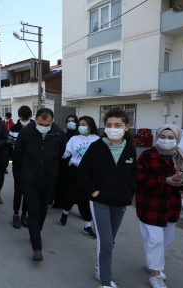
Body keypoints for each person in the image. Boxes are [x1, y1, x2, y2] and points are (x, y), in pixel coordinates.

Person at [77, 108, 137, 288]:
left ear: (126, 127)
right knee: (106, 241)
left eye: (117, 125)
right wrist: (94, 192)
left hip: (120, 202)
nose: (113, 128)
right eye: (109, 125)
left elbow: (133, 175)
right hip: (100, 201)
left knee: (111, 239)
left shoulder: (130, 149)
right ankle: (105, 281)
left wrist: (129, 192)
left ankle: (99, 267)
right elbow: (82, 172)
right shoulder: (96, 147)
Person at [136, 124, 183, 288]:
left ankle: (152, 263)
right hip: (150, 206)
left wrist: (180, 181)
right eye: (163, 137)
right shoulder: (146, 156)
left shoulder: (182, 157)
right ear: (157, 137)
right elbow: (138, 177)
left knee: (167, 241)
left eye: (171, 138)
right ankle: (155, 274)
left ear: (177, 139)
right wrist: (164, 180)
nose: (166, 140)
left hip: (171, 207)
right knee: (155, 240)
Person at [14, 108, 66, 261]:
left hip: (49, 178)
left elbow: (61, 154)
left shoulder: (58, 133)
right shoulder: (26, 132)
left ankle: (35, 232)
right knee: (34, 210)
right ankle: (37, 248)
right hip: (29, 178)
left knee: (43, 209)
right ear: (35, 120)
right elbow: (18, 154)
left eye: (47, 124)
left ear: (52, 121)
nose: (44, 126)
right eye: (41, 123)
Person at [59, 116, 99, 239]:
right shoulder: (74, 139)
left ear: (90, 126)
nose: (81, 126)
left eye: (84, 124)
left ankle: (87, 225)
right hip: (75, 170)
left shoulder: (97, 140)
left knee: (87, 198)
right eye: (80, 124)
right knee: (72, 194)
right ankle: (65, 212)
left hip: (90, 173)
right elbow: (65, 153)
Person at [8, 105, 33, 229]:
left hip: (31, 165)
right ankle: (16, 214)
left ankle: (24, 214)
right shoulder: (14, 128)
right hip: (18, 164)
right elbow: (9, 145)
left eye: (27, 118)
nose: (24, 120)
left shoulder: (34, 126)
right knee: (19, 190)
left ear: (30, 116)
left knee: (28, 190)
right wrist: (14, 157)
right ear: (19, 117)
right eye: (23, 118)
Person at [51, 115, 79, 208]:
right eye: (68, 121)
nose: (70, 122)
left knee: (72, 185)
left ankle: (69, 204)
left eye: (73, 120)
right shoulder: (62, 132)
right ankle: (58, 203)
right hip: (63, 162)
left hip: (75, 162)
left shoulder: (79, 134)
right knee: (60, 183)